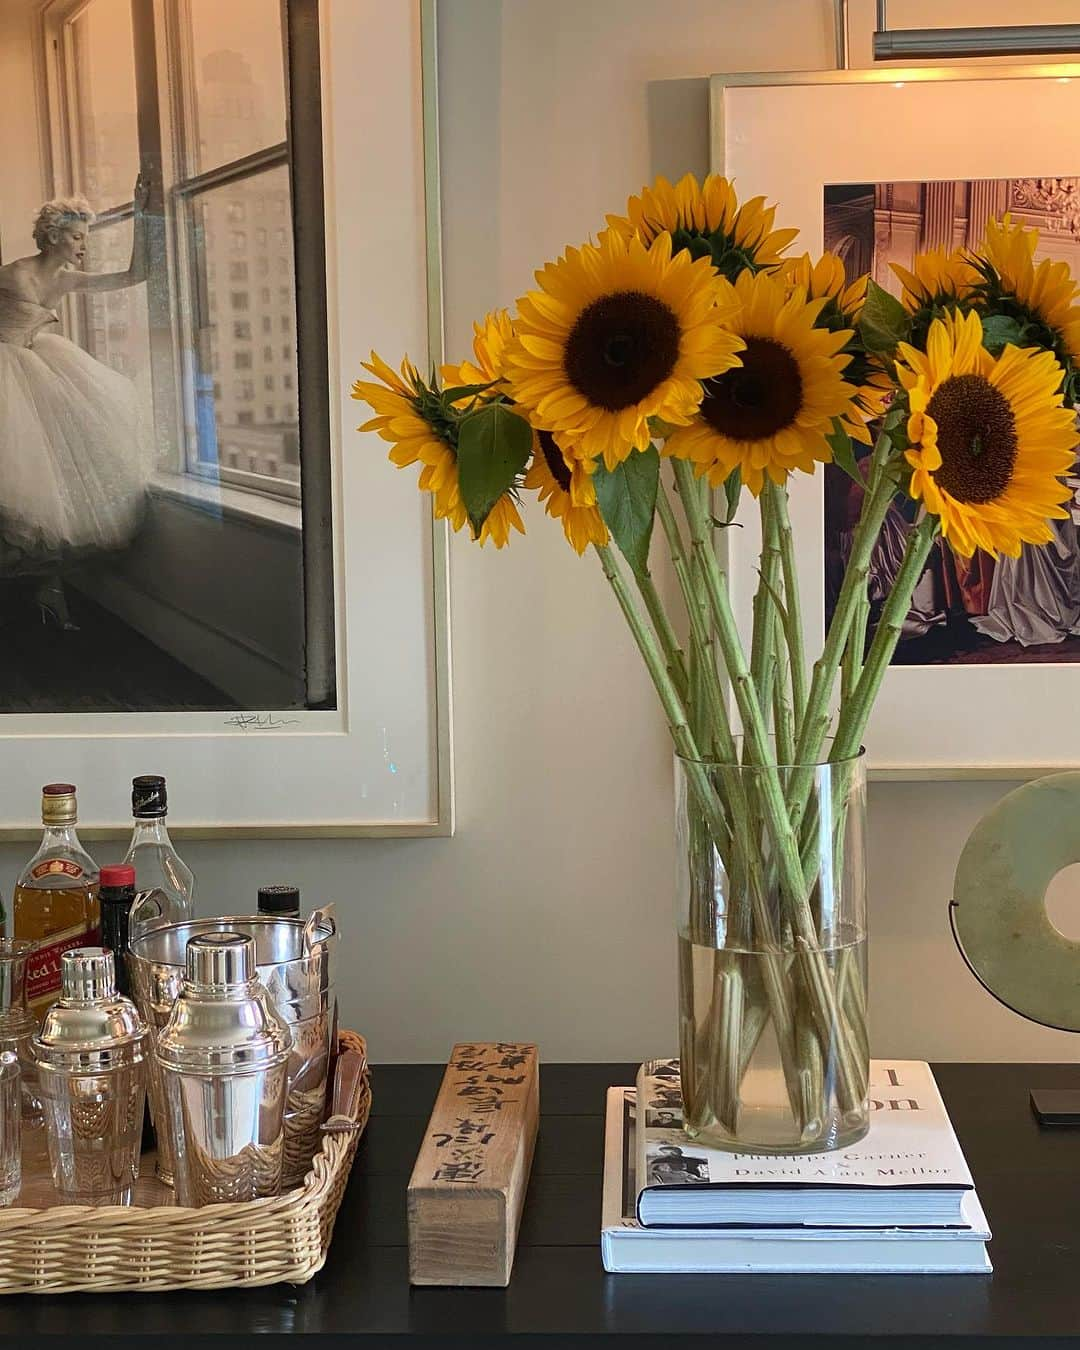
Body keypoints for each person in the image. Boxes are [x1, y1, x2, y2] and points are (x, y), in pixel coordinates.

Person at [0, 174, 153, 628]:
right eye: (76, 236)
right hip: (6, 370)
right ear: (52, 237)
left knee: (47, 484)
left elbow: (135, 275)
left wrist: (143, 215)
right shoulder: (11, 274)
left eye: (85, 236)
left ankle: (49, 593)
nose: (83, 245)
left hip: (37, 370)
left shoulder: (65, 280)